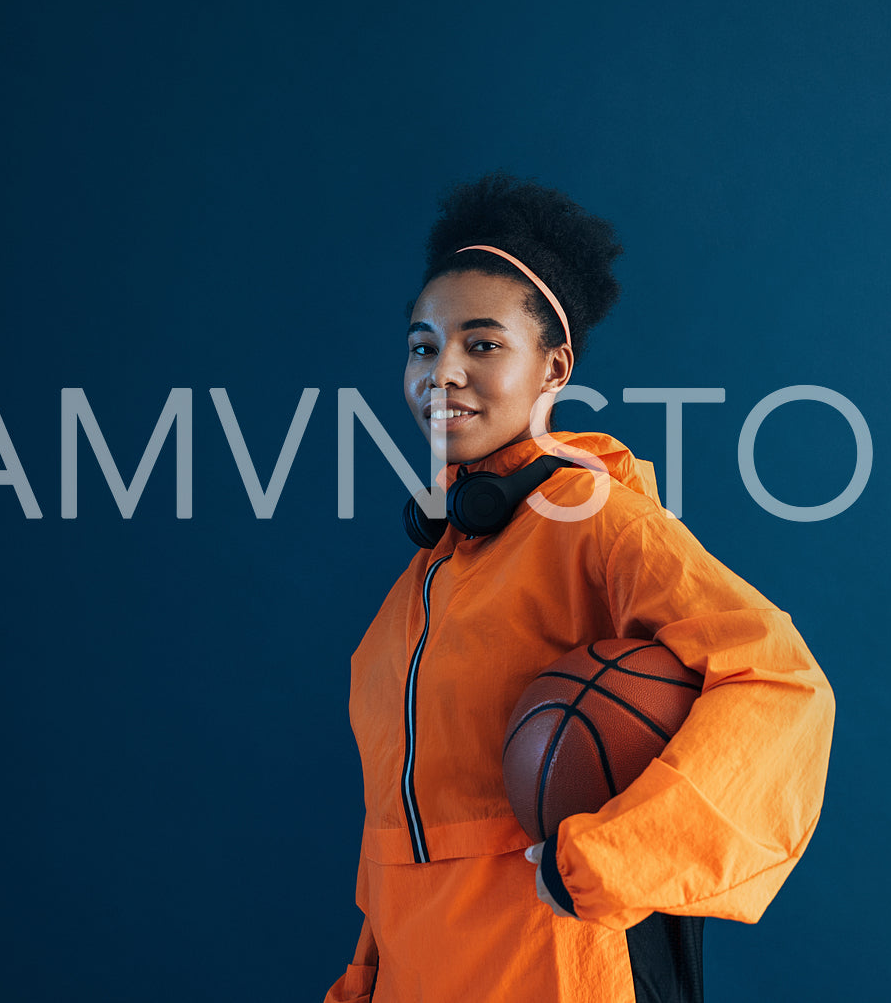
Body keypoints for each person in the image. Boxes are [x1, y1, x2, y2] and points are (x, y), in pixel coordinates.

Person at [323, 171, 835, 1003]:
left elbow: (779, 682)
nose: (440, 371)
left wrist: (617, 858)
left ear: (552, 366)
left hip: (554, 968)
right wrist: (365, 978)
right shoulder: (418, 586)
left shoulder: (597, 523)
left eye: (481, 344)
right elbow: (401, 834)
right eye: (423, 345)